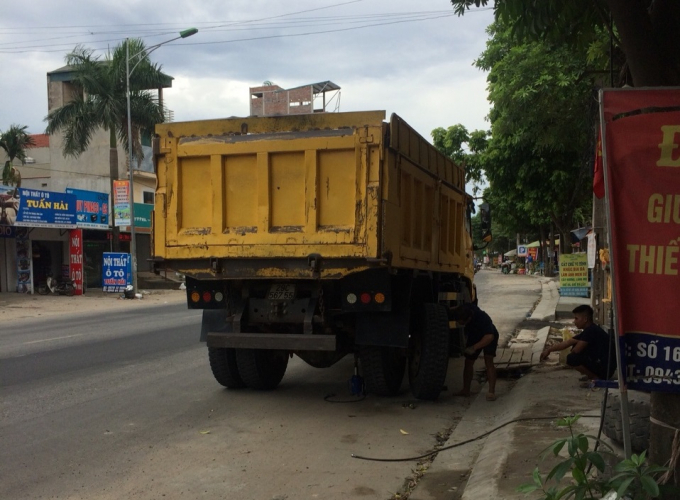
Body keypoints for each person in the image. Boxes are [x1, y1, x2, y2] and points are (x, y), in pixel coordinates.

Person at [540, 305, 615, 383]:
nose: (574, 321)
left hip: (605, 369)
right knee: (576, 349)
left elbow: (576, 351)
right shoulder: (589, 329)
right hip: (605, 367)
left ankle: (595, 378)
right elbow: (568, 342)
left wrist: (577, 344)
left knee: (572, 358)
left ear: (585, 319)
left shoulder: (591, 331)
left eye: (576, 318)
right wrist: (549, 350)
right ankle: (592, 375)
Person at [451, 303, 499, 401]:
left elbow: (490, 337)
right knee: (468, 361)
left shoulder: (483, 318)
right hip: (474, 335)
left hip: (488, 336)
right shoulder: (465, 308)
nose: (461, 325)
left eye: (463, 323)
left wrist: (474, 348)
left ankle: (491, 392)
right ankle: (466, 390)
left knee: (488, 361)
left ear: (468, 319)